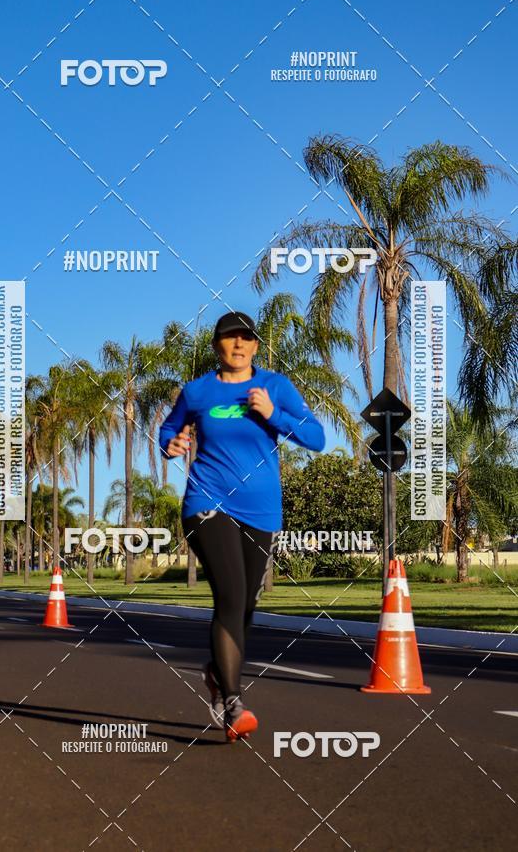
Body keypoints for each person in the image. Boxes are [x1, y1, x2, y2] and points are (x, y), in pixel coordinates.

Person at [159, 311, 326, 742]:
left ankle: (217, 673)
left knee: (245, 606)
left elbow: (317, 438)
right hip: (207, 503)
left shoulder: (275, 387)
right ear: (217, 346)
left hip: (262, 510)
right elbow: (169, 428)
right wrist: (171, 444)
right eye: (229, 339)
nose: (237, 345)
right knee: (231, 596)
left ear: (255, 346)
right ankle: (233, 703)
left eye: (245, 339)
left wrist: (274, 415)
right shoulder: (197, 392)